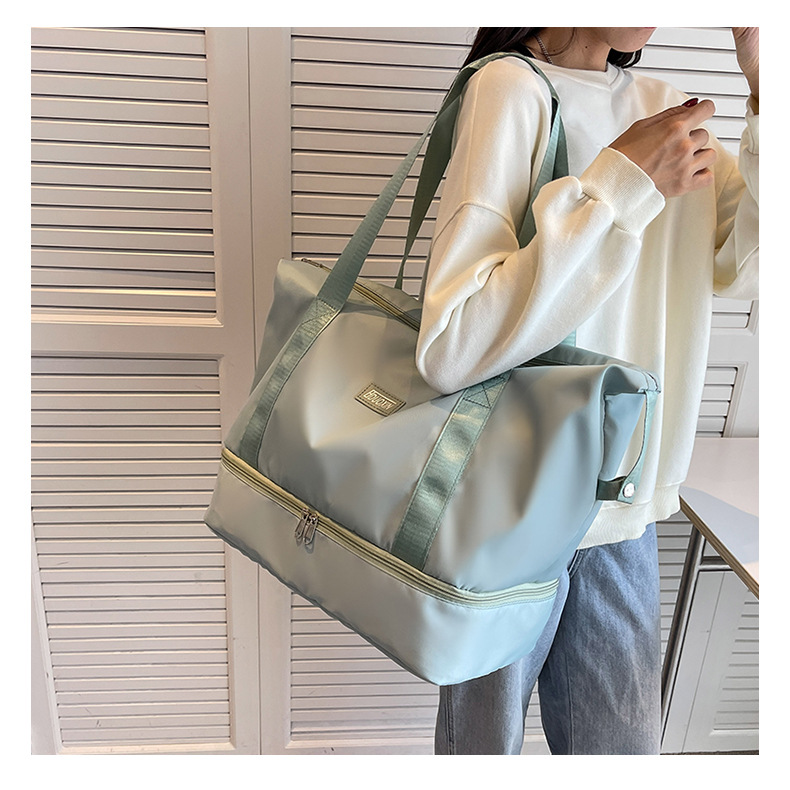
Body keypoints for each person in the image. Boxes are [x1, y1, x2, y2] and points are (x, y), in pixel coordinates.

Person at [414, 27, 759, 755]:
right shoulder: (510, 88)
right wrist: (622, 182)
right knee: (482, 755)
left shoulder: (668, 108)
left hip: (625, 510)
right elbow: (452, 346)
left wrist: (768, 89)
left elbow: (752, 269)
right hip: (510, 511)